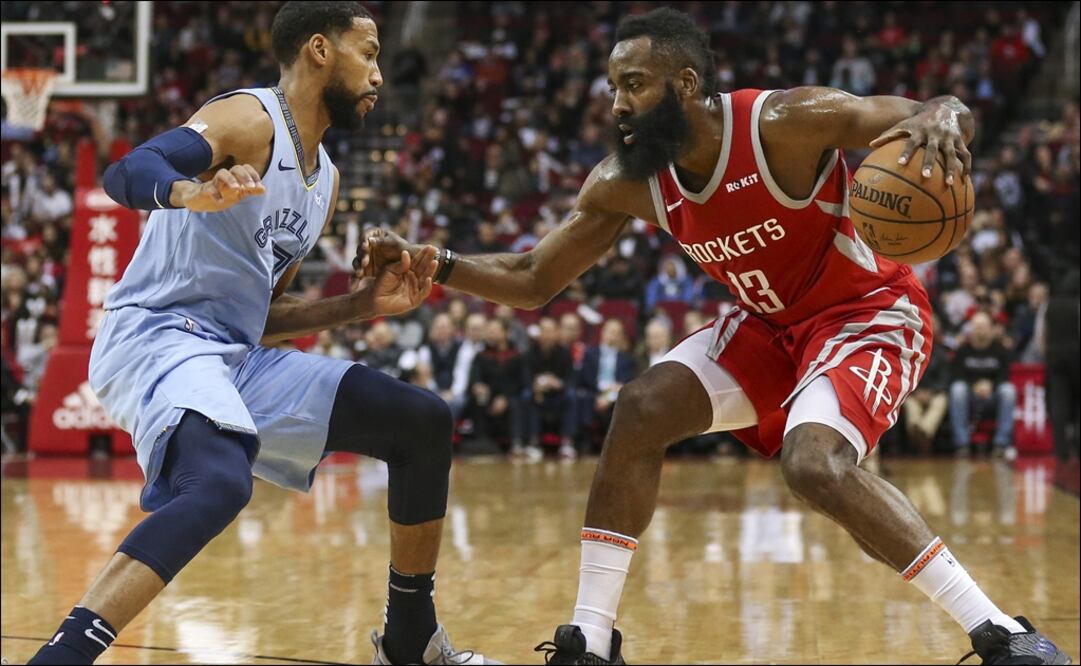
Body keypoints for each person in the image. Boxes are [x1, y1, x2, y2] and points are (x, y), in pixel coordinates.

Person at [361, 8, 1069, 665]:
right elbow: (531, 278)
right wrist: (438, 265)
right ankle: (591, 638)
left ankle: (1000, 633)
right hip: (764, 326)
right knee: (639, 410)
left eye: (633, 84)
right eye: (612, 88)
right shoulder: (627, 181)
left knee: (812, 464)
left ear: (685, 83)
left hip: (866, 314)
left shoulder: (783, 123)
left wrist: (946, 111)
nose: (616, 104)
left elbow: (919, 114)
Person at [27, 4, 495, 665]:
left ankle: (409, 638)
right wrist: (193, 192)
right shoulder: (247, 119)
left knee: (418, 422)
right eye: (368, 53)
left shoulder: (324, 182)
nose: (379, 75)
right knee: (218, 484)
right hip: (158, 335)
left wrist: (360, 304)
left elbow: (262, 314)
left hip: (232, 353)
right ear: (318, 50)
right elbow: (129, 171)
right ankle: (63, 656)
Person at [949, 311, 1017, 458]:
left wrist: (990, 386)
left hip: (993, 395)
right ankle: (962, 444)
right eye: (977, 327)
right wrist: (975, 386)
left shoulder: (1000, 349)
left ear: (991, 329)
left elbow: (1005, 375)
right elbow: (957, 375)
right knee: (957, 389)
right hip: (970, 395)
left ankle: (1001, 443)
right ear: (971, 329)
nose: (980, 330)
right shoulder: (962, 350)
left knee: (1009, 390)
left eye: (983, 326)